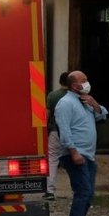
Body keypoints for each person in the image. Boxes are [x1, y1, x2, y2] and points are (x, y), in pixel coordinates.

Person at [54, 70, 108, 216]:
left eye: (86, 79)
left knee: (89, 194)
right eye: (83, 81)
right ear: (73, 85)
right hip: (76, 154)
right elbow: (65, 130)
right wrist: (73, 152)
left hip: (88, 155)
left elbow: (102, 115)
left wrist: (94, 103)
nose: (86, 83)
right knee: (83, 192)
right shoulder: (65, 103)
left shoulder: (85, 101)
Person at [44, 71, 69, 201]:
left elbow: (47, 115)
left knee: (52, 159)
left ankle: (49, 191)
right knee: (73, 159)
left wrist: (44, 129)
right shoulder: (76, 96)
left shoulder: (53, 96)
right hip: (73, 133)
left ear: (60, 82)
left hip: (55, 131)